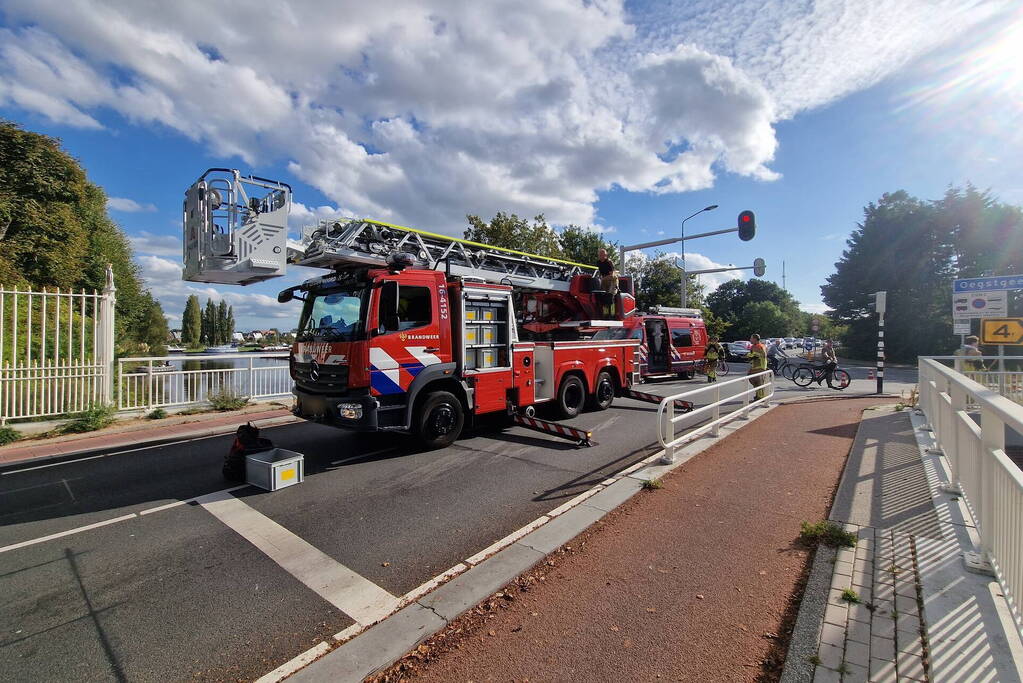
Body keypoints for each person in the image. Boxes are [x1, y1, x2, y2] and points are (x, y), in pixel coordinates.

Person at [596, 248, 618, 318]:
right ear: (598, 255)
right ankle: (605, 314)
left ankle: (612, 314)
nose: (602, 256)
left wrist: (602, 279)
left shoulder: (609, 262)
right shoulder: (598, 262)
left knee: (610, 296)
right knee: (604, 296)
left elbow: (612, 274)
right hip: (604, 279)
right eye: (600, 254)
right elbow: (600, 273)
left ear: (606, 255)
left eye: (603, 254)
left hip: (612, 279)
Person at [748, 333, 768, 399]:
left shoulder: (758, 346)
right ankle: (759, 395)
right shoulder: (760, 346)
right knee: (756, 382)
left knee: (758, 382)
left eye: (751, 338)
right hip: (758, 366)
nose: (750, 339)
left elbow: (756, 355)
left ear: (755, 339)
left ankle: (760, 396)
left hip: (759, 367)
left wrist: (749, 356)